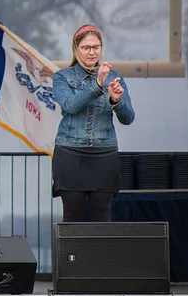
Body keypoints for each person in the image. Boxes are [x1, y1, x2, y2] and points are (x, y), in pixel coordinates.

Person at [51, 25, 135, 222]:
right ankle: (72, 255)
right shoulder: (62, 77)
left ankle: (101, 254)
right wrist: (97, 85)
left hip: (104, 152)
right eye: (86, 47)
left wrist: (116, 100)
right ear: (76, 49)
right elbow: (71, 106)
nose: (91, 52)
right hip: (70, 150)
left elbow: (128, 118)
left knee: (102, 215)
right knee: (72, 215)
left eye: (95, 47)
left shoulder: (115, 77)